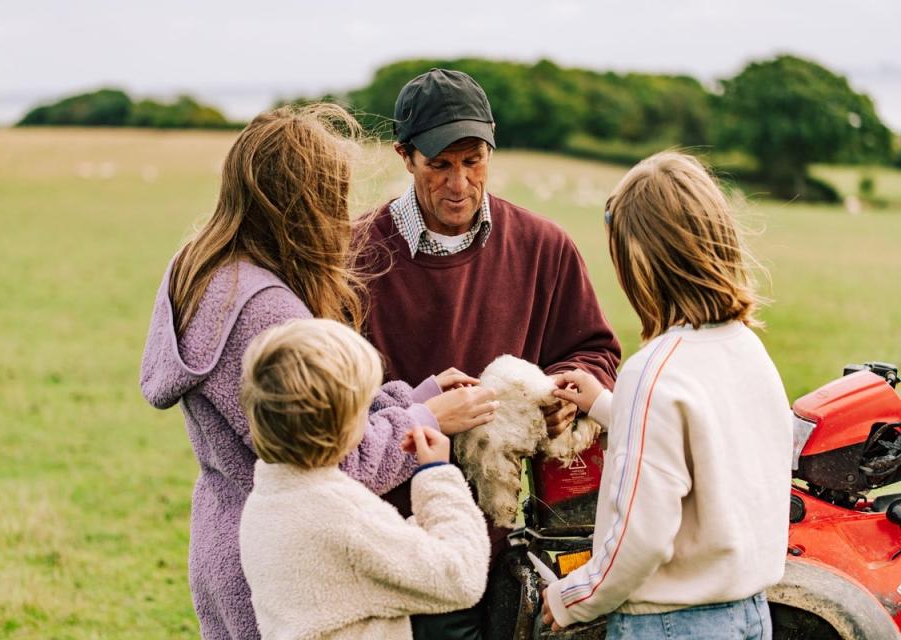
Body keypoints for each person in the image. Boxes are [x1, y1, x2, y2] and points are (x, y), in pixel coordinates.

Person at [139, 104, 497, 640]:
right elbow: (334, 456)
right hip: (290, 561)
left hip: (235, 532)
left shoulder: (204, 268)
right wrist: (426, 419)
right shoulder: (261, 308)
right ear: (302, 204)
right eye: (334, 198)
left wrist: (413, 396)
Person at [357, 68, 622, 638]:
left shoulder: (542, 246)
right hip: (397, 547)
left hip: (507, 539)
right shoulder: (355, 258)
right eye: (440, 165)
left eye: (473, 160)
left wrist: (563, 394)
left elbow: (593, 348)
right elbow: (332, 401)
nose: (460, 183)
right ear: (405, 157)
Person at [540, 152, 793, 639]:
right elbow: (708, 445)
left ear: (641, 261)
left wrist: (574, 596)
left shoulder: (653, 372)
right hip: (748, 614)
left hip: (670, 623)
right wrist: (603, 404)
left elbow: (642, 537)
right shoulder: (745, 347)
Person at [238, 318, 491, 639]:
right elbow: (460, 578)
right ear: (346, 424)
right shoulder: (345, 516)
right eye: (365, 406)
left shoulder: (265, 504)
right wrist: (438, 477)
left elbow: (373, 550)